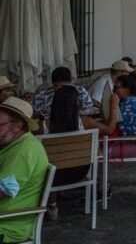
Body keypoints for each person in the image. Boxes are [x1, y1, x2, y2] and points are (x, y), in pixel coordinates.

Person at [0, 97, 48, 243]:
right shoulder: (13, 143)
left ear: (18, 125)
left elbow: (3, 189)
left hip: (7, 226)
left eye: (0, 124)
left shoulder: (24, 151)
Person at [46, 85, 91, 220]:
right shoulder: (81, 122)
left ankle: (52, 204)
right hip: (80, 171)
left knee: (48, 164)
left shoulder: (46, 124)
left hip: (54, 177)